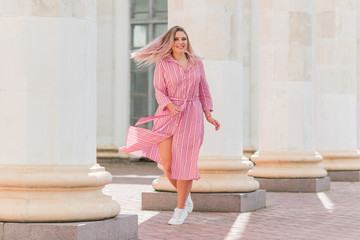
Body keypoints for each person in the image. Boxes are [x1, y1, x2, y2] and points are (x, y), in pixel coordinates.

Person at [119, 26, 220, 225]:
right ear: (170, 43)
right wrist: (168, 104)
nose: (181, 42)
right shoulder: (163, 63)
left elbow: (204, 89)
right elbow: (159, 89)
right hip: (167, 115)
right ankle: (185, 195)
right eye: (176, 39)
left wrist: (208, 113)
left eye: (183, 38)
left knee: (185, 163)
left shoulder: (196, 63)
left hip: (192, 116)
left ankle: (180, 208)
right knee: (168, 166)